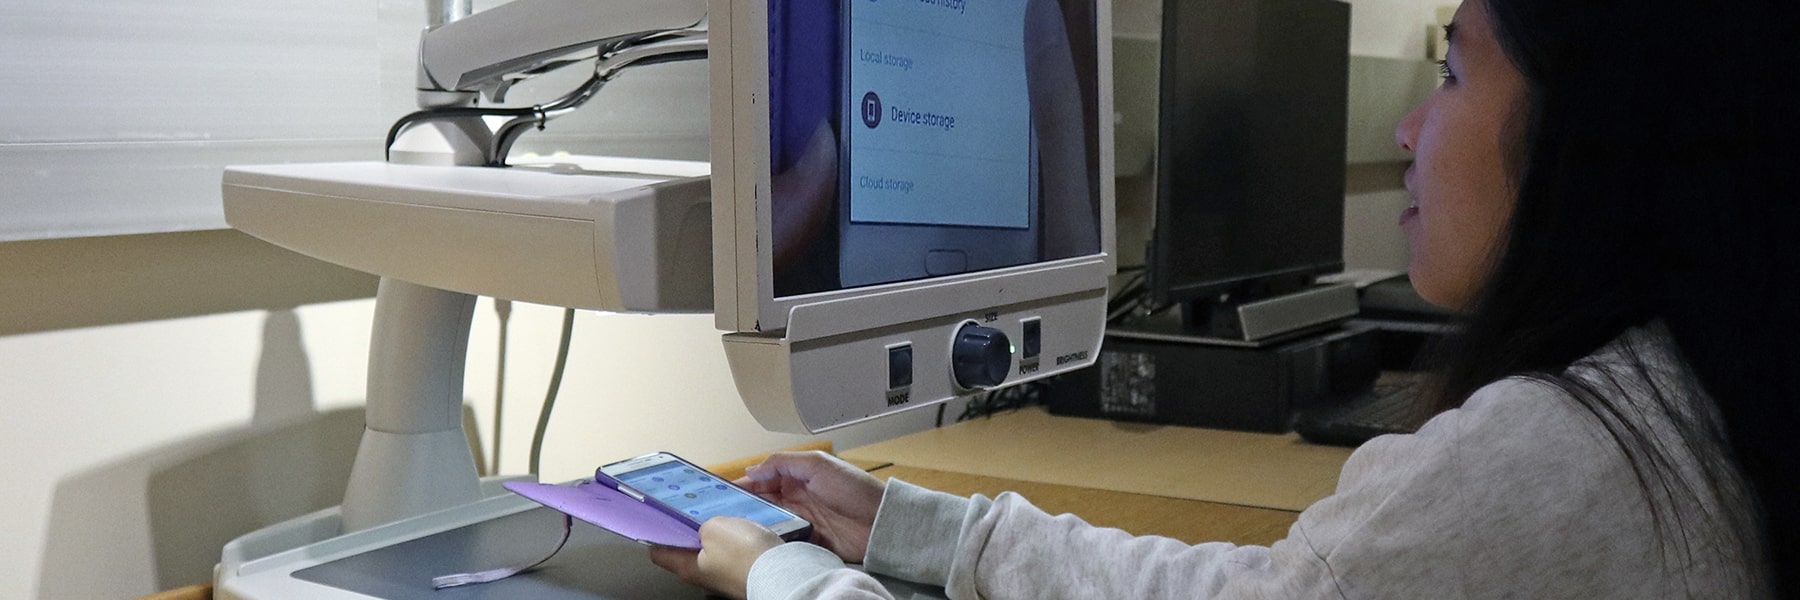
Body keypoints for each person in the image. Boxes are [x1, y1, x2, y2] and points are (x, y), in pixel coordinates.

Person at [650, 0, 1798, 596]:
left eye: (1450, 73)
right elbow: (1264, 593)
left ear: (1594, 133)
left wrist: (784, 578)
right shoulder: (1676, 390)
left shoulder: (1551, 461)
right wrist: (921, 529)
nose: (1407, 128)